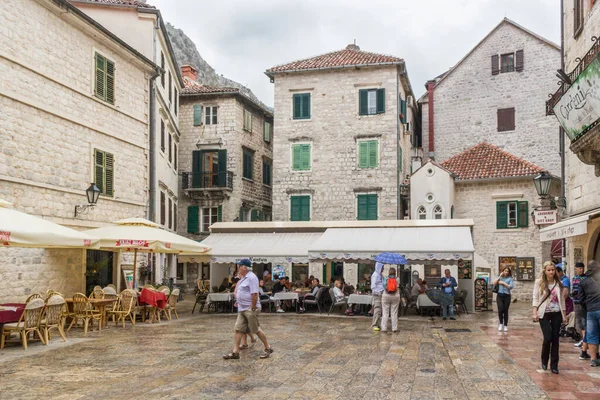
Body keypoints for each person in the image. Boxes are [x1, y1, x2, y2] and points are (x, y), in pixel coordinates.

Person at [223, 259, 273, 360]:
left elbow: (254, 294)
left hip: (250, 308)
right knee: (238, 329)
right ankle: (235, 352)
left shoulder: (252, 278)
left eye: (239, 266)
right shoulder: (243, 278)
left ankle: (268, 347)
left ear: (244, 267)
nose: (238, 268)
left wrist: (252, 308)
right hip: (242, 308)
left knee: (255, 329)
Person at [532, 261, 565, 374]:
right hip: (544, 313)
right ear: (545, 271)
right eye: (549, 270)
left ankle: (554, 365)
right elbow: (535, 298)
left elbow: (562, 300)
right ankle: (544, 360)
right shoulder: (539, 282)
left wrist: (564, 315)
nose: (551, 272)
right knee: (548, 338)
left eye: (552, 270)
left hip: (556, 313)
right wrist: (534, 312)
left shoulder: (558, 282)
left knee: (555, 339)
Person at [578, 260, 600, 367]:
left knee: (592, 335)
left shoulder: (583, 281)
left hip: (590, 311)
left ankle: (593, 359)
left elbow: (580, 299)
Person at [572, 262, 588, 351]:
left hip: (583, 302)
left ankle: (584, 340)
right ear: (576, 269)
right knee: (579, 321)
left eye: (582, 268)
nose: (581, 270)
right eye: (579, 268)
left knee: (583, 322)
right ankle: (583, 339)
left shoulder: (585, 278)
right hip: (576, 301)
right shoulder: (574, 278)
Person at [493, 267, 514, 332]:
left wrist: (503, 283)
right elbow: (494, 283)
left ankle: (505, 326)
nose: (506, 272)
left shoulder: (510, 279)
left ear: (509, 272)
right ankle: (500, 324)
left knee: (505, 311)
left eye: (507, 271)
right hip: (499, 296)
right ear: (503, 271)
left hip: (507, 296)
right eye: (505, 271)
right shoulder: (500, 277)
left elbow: (510, 287)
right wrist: (500, 276)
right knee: (500, 309)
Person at [381, 267, 400, 333]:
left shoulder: (386, 278)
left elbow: (383, 286)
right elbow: (398, 286)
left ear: (389, 272)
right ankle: (394, 328)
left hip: (386, 295)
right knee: (394, 312)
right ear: (395, 272)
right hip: (395, 296)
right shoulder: (397, 279)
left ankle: (384, 328)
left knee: (385, 312)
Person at [370, 262, 384, 331]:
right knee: (377, 309)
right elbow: (373, 286)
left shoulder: (380, 275)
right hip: (377, 294)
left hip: (381, 293)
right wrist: (378, 292)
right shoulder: (375, 275)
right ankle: (374, 324)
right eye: (382, 267)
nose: (383, 269)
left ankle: (378, 324)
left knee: (379, 310)